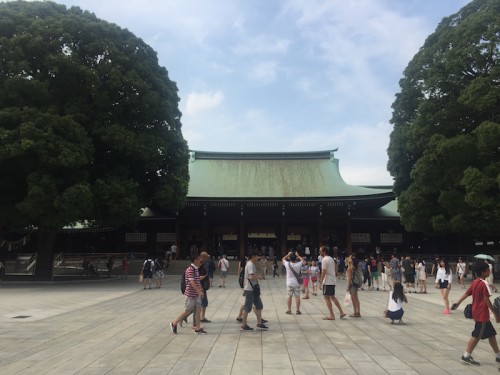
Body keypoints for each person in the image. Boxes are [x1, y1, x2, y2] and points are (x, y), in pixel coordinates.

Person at [451, 261, 500, 366]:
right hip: (482, 314)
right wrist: (495, 314)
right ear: (483, 272)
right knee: (476, 335)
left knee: (491, 334)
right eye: (487, 270)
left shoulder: (475, 282)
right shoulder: (484, 283)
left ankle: (498, 355)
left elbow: (466, 294)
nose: (489, 271)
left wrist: (457, 303)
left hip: (476, 312)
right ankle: (466, 356)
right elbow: (487, 300)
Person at [170, 255, 207, 335]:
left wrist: (201, 290)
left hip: (196, 294)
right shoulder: (190, 269)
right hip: (191, 294)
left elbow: (197, 281)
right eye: (199, 259)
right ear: (195, 260)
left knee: (198, 310)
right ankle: (174, 323)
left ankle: (198, 328)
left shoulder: (196, 269)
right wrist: (199, 291)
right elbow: (192, 282)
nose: (200, 261)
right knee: (187, 311)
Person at [240, 250, 268, 331]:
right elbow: (251, 277)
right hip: (250, 290)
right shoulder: (251, 265)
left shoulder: (250, 264)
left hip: (253, 289)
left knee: (259, 305)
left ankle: (259, 323)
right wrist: (259, 277)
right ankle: (244, 324)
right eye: (257, 256)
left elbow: (250, 276)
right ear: (253, 256)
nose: (258, 258)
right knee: (247, 307)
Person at [319, 246, 346, 320]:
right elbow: (335, 267)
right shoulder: (331, 258)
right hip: (332, 279)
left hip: (327, 281)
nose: (319, 252)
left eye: (320, 251)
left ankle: (331, 315)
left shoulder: (324, 260)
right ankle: (341, 311)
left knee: (326, 297)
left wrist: (320, 281)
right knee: (332, 296)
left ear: (324, 252)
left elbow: (323, 271)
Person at [198, 251, 211, 323]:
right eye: (206, 257)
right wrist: (201, 288)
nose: (207, 259)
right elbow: (197, 277)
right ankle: (201, 317)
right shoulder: (200, 265)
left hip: (203, 286)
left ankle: (202, 316)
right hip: (201, 286)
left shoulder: (204, 264)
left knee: (203, 302)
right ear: (203, 257)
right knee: (203, 302)